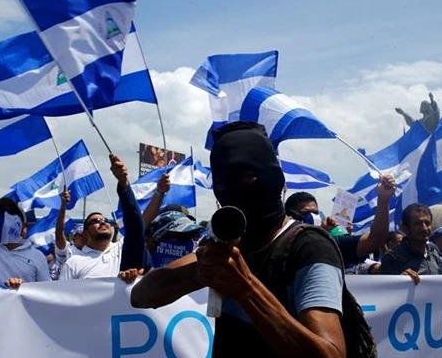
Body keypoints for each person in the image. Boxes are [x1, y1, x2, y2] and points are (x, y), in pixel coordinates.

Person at [132, 122, 349, 357]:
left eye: (247, 176)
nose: (232, 188)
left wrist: (245, 289)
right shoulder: (229, 242)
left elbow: (332, 354)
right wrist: (203, 270)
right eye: (222, 182)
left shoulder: (309, 247)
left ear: (273, 178)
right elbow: (141, 296)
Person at [59, 154, 144, 283]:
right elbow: (61, 298)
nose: (102, 222)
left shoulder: (122, 249)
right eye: (95, 221)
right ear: (86, 234)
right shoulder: (74, 262)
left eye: (105, 220)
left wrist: (123, 183)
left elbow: (137, 225)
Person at [284, 175, 396, 271]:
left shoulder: (328, 244)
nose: (313, 217)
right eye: (306, 213)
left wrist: (383, 199)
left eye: (316, 212)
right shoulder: (278, 243)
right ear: (290, 216)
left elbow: (375, 240)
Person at [380, 204, 442, 284]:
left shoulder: (435, 251)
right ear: (405, 228)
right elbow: (384, 292)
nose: (424, 228)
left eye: (427, 223)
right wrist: (399, 280)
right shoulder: (392, 257)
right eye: (418, 224)